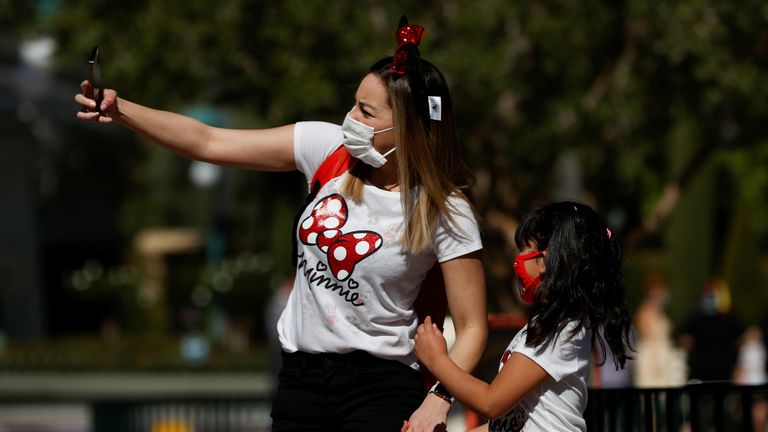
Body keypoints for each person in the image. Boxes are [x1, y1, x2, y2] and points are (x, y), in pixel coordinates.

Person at [75, 16, 487, 432]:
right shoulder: (327, 150)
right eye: (353, 104)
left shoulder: (445, 210)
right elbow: (209, 140)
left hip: (380, 386)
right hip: (300, 380)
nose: (350, 119)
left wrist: (439, 400)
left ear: (408, 127)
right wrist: (120, 109)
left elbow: (471, 327)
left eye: (365, 111)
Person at [412, 202, 633, 431]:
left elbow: (490, 402)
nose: (518, 260)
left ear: (550, 260)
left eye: (527, 250)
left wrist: (437, 360)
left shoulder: (560, 329)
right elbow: (503, 425)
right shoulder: (548, 325)